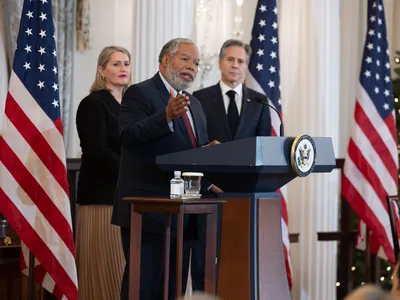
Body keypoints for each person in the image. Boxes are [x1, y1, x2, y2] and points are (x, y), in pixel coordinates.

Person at [111, 38, 218, 300]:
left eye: (196, 62)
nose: (192, 67)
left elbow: (194, 151)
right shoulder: (140, 92)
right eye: (185, 59)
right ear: (165, 60)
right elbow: (128, 136)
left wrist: (209, 151)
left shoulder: (196, 104)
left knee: (174, 290)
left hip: (185, 213)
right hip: (148, 211)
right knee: (144, 288)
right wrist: (165, 117)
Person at [190, 39, 272, 291]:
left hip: (245, 196)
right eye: (231, 60)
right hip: (208, 193)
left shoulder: (259, 102)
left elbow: (265, 148)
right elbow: (194, 146)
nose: (235, 66)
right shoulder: (199, 98)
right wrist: (209, 183)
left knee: (240, 261)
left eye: (241, 61)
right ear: (220, 62)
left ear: (246, 66)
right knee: (205, 260)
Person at [75, 45, 131, 300]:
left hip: (129, 195)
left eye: (126, 64)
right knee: (104, 267)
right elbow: (96, 150)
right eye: (116, 64)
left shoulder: (133, 106)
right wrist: (132, 171)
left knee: (124, 266)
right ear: (101, 69)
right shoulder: (93, 103)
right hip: (101, 197)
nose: (123, 69)